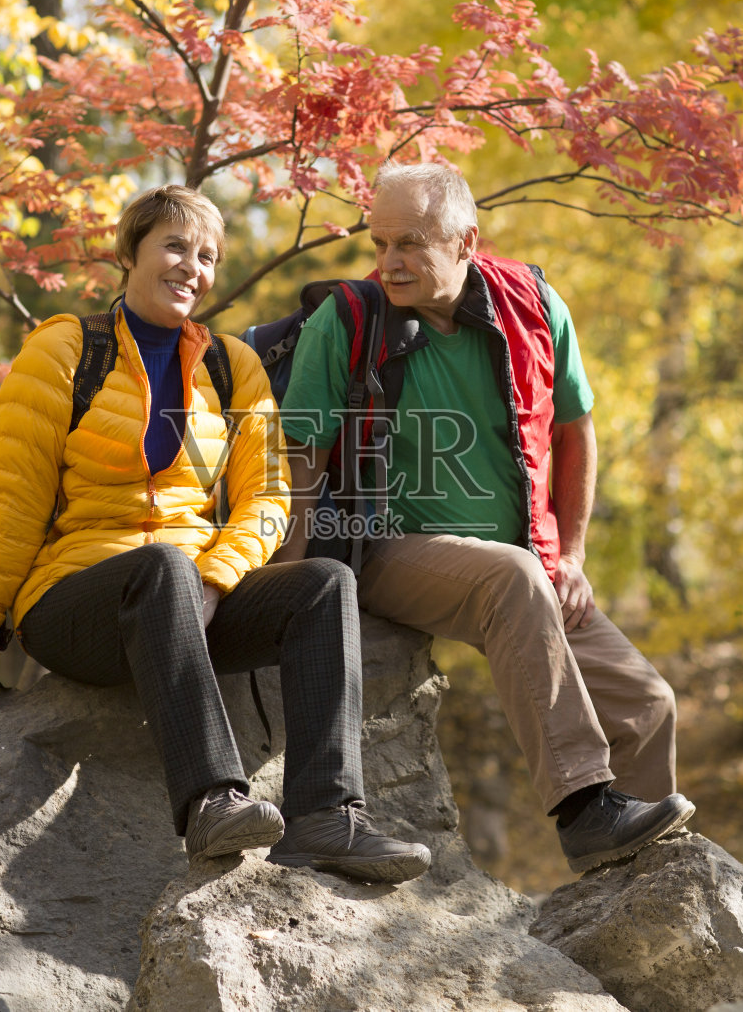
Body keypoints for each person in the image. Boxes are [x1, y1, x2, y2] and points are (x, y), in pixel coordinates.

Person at [0, 185, 430, 885]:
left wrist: (218, 576)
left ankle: (325, 818)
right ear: (131, 252)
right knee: (161, 565)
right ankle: (213, 799)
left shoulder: (232, 366)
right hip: (76, 605)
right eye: (176, 246)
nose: (193, 266)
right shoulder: (65, 350)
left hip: (188, 598)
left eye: (208, 255)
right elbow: (12, 506)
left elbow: (271, 497)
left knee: (324, 583)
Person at [275, 164, 695, 872]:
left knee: (648, 703)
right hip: (381, 547)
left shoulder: (533, 302)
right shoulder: (345, 318)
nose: (389, 262)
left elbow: (575, 431)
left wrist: (576, 554)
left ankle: (637, 896)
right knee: (513, 576)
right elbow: (300, 452)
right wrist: (296, 579)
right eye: (380, 243)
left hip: (524, 554)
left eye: (410, 242)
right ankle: (586, 807)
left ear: (467, 240)